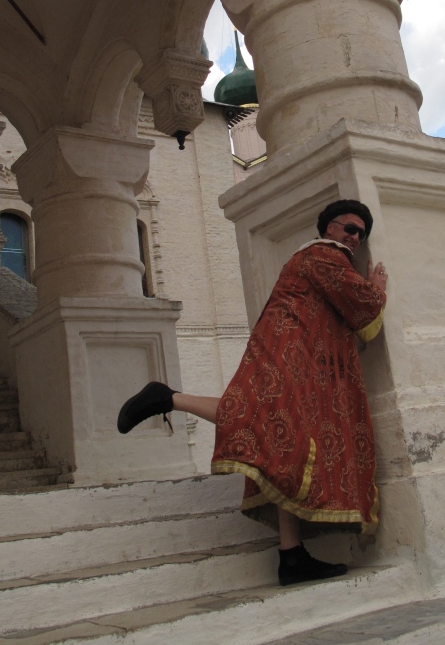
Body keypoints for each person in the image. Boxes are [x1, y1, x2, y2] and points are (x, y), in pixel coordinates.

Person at [117, 199, 387, 586]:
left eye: (361, 233)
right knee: (260, 421)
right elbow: (362, 306)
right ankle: (169, 398)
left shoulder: (312, 259)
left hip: (291, 351)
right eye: (350, 228)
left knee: (285, 449)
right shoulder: (325, 255)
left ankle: (291, 556)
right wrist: (376, 290)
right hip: (292, 353)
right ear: (330, 228)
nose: (355, 238)